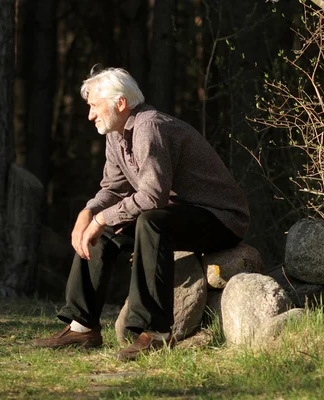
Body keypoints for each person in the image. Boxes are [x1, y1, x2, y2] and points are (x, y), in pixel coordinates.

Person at [32, 67, 250, 361]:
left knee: (148, 222)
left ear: (120, 103)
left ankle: (156, 332)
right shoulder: (116, 134)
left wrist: (101, 218)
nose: (90, 116)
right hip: (176, 214)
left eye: (95, 107)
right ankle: (82, 327)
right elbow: (112, 188)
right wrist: (89, 213)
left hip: (221, 218)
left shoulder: (150, 127)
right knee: (105, 230)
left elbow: (152, 197)